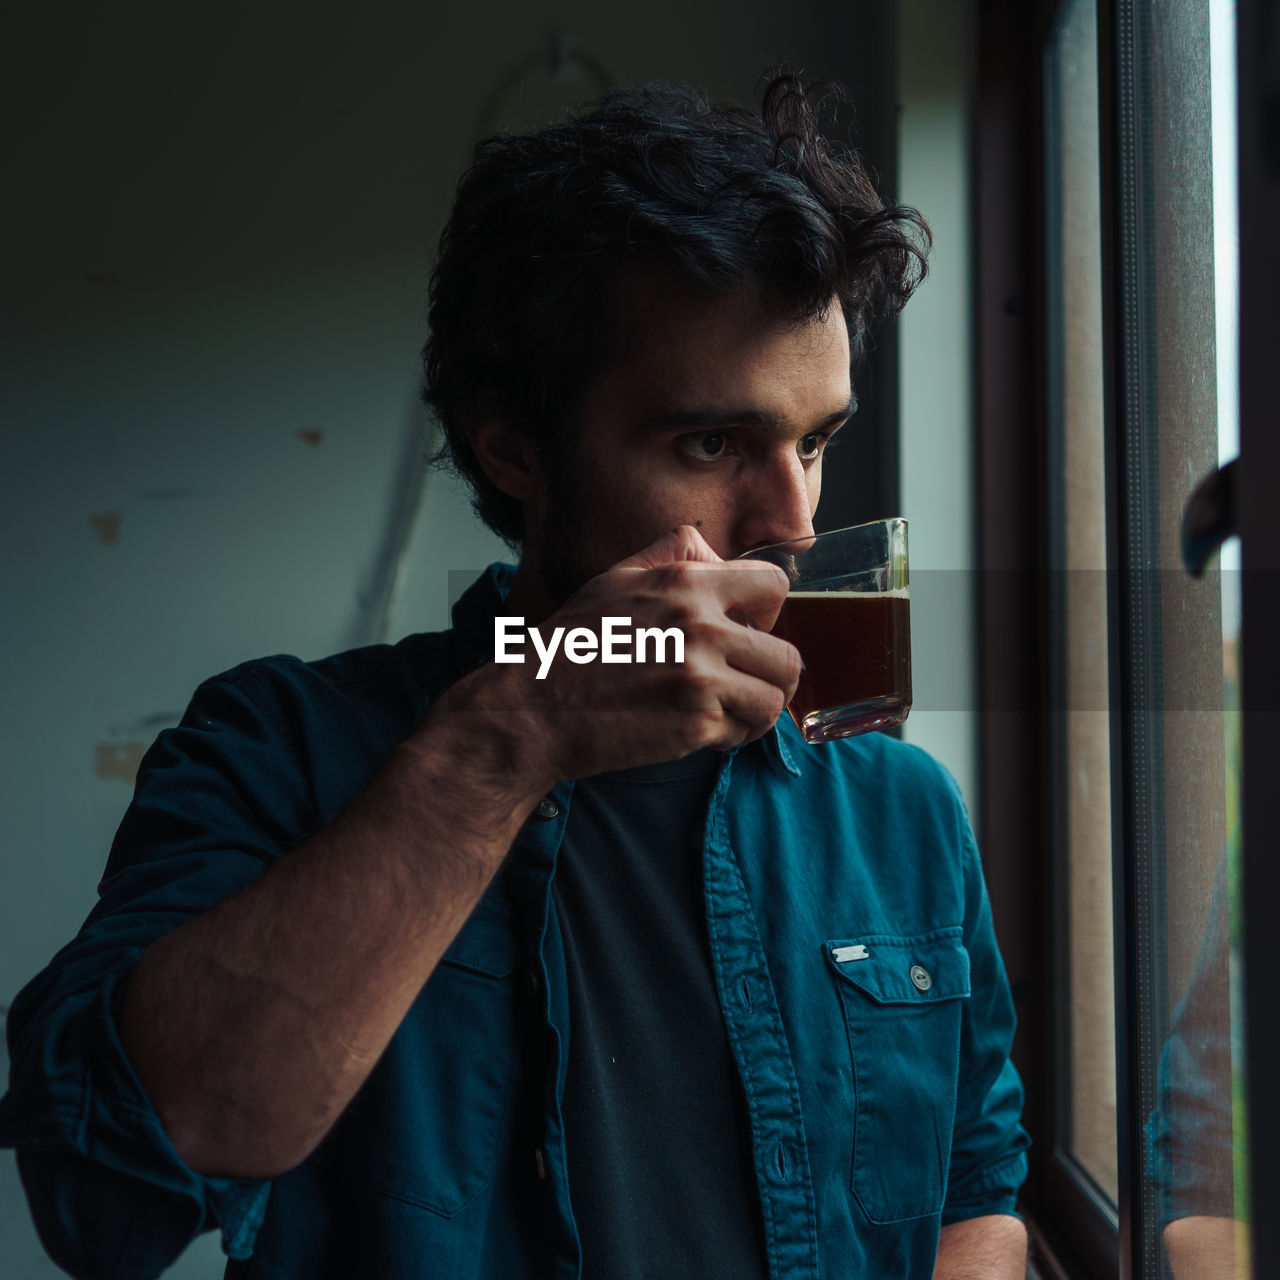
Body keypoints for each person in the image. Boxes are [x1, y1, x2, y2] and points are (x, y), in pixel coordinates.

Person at [0, 73, 1029, 1278]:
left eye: (814, 442)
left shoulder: (899, 809)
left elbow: (975, 1189)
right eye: (712, 442)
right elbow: (106, 1193)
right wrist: (509, 738)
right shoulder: (279, 745)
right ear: (513, 442)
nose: (793, 521)